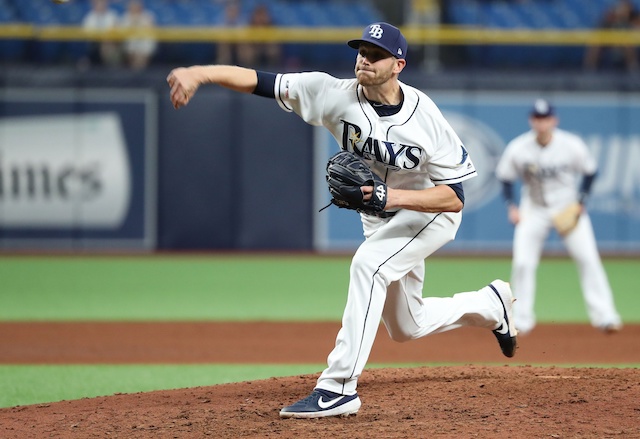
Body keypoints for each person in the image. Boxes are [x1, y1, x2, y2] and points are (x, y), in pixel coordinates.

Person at [167, 22, 517, 419]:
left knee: (369, 267)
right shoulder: (332, 93)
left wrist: (392, 197)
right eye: (361, 51)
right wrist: (200, 73)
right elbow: (260, 82)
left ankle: (338, 388)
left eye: (376, 54)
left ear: (398, 64)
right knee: (406, 325)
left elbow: (453, 198)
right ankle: (490, 304)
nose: (364, 59)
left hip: (426, 214)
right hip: (379, 219)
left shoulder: (425, 117)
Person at [495, 98, 622, 336]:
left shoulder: (570, 145)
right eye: (537, 118)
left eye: (545, 118)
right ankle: (521, 320)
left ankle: (606, 316)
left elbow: (590, 172)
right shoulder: (519, 147)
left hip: (567, 209)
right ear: (531, 120)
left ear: (554, 120)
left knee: (588, 259)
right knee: (523, 263)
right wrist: (511, 206)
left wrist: (581, 202)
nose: (541, 123)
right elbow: (505, 176)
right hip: (534, 209)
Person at [583, 0, 639, 72]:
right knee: (596, 44)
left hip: (625, 42)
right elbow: (602, 27)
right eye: (622, 6)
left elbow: (636, 28)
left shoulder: (633, 17)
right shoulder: (611, 16)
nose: (624, 9)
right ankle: (589, 69)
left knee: (627, 44)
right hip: (610, 41)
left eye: (626, 7)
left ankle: (633, 68)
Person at [82, 0, 122, 67]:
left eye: (102, 3)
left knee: (110, 47)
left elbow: (117, 32)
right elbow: (87, 34)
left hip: (110, 43)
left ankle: (110, 69)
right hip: (94, 44)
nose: (100, 5)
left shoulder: (112, 15)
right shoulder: (89, 17)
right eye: (98, 3)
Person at [120, 0, 157, 70]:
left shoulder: (148, 16)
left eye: (137, 6)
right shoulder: (125, 17)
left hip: (144, 42)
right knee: (130, 49)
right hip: (130, 42)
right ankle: (133, 73)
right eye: (133, 6)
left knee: (143, 52)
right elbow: (123, 33)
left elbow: (150, 32)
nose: (135, 8)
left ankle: (140, 74)